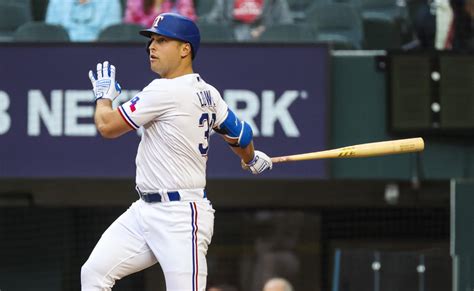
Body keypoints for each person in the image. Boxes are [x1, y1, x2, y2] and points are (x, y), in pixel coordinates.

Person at [81, 12, 272, 291]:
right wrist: (251, 158)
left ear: (185, 49)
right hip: (144, 211)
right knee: (94, 273)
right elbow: (240, 133)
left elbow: (107, 126)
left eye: (161, 40)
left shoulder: (164, 90)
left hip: (182, 216)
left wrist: (104, 98)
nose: (152, 47)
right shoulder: (209, 92)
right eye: (151, 41)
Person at [203, 0, 293, 41]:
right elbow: (213, 24)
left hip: (266, 49)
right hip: (231, 47)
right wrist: (230, 33)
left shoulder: (276, 1)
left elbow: (285, 28)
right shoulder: (224, 2)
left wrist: (265, 31)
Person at [45, 0, 122, 42]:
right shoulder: (56, 1)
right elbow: (52, 33)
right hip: (63, 54)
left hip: (98, 55)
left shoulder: (111, 2)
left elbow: (111, 35)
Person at [124, 0, 197, 28]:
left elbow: (188, 23)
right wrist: (157, 6)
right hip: (139, 45)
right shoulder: (135, 2)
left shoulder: (183, 1)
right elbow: (130, 26)